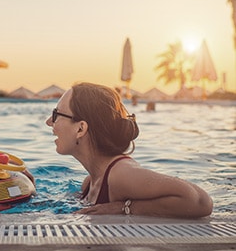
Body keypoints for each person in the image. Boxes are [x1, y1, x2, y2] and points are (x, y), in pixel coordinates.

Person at [45, 82, 213, 218]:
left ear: (80, 129)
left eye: (56, 114)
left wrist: (125, 208)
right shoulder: (89, 183)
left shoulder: (120, 175)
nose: (49, 122)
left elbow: (199, 201)